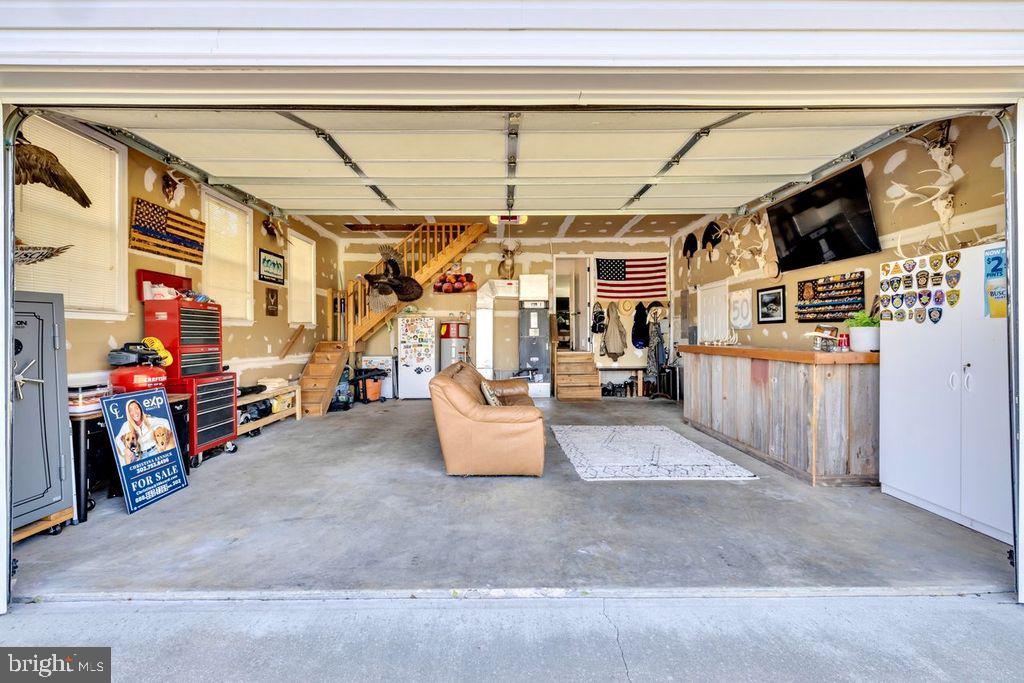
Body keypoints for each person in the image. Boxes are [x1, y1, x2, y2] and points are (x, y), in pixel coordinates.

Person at [114, 399, 173, 466]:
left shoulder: (150, 420)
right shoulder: (126, 425)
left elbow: (166, 422)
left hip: (155, 452)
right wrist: (124, 450)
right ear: (128, 413)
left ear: (140, 409)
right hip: (140, 456)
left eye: (136, 408)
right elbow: (117, 439)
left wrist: (166, 440)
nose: (135, 412)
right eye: (131, 410)